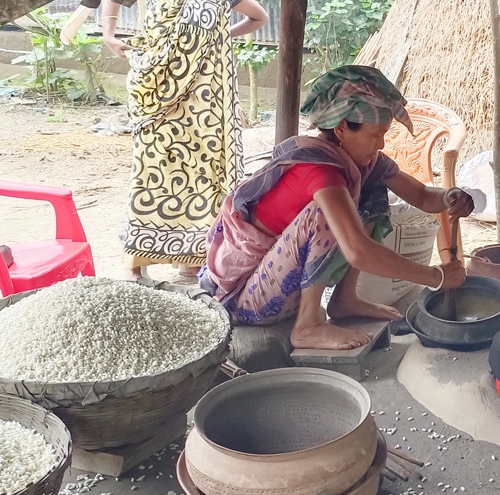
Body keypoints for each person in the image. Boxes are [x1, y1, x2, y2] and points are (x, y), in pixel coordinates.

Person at [201, 65, 473, 350]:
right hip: (247, 298)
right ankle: (307, 325)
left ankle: (344, 300)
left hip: (278, 280)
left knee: (374, 191)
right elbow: (358, 251)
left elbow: (421, 195)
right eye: (375, 135)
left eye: (384, 135)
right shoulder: (319, 169)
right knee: (325, 213)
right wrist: (436, 277)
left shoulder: (363, 162)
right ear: (342, 127)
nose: (380, 144)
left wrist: (451, 196)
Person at [99, 0, 269, 279]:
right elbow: (260, 17)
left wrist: (108, 33)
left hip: (158, 95)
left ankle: (137, 265)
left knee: (152, 173)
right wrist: (218, 37)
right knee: (199, 174)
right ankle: (189, 264)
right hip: (203, 108)